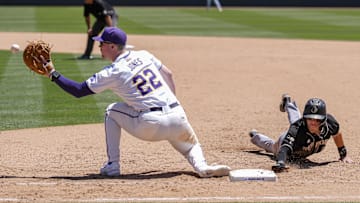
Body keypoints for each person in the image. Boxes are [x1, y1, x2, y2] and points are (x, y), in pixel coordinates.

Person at [41, 27, 231, 178]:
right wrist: (173, 104)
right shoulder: (144, 55)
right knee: (190, 145)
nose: (99, 47)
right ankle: (202, 167)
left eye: (102, 44)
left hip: (150, 125)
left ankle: (113, 165)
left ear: (113, 47)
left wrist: (52, 73)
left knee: (111, 110)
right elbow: (169, 74)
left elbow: (79, 91)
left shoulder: (112, 71)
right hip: (178, 116)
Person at [249, 94, 353, 172]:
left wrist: (343, 154)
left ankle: (288, 104)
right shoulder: (297, 128)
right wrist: (280, 162)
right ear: (305, 118)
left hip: (300, 130)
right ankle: (255, 136)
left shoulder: (330, 123)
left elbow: (337, 134)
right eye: (310, 118)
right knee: (272, 146)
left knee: (296, 120)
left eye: (317, 119)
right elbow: (284, 148)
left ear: (324, 120)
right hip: (285, 141)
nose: (313, 122)